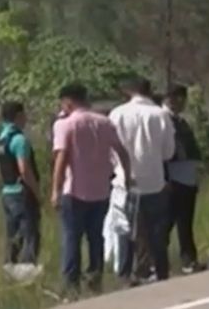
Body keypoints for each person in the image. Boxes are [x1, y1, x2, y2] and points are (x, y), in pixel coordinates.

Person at [51, 83, 131, 295]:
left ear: (67, 101)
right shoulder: (104, 122)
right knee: (96, 237)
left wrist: (55, 190)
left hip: (74, 190)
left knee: (71, 238)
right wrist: (127, 177)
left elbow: (61, 159)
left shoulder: (65, 125)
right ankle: (95, 278)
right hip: (100, 190)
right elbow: (122, 151)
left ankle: (71, 284)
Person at [109, 76, 176, 282]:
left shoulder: (117, 114)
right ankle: (161, 271)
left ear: (130, 92)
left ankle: (125, 274)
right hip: (154, 181)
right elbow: (168, 152)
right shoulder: (161, 115)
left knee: (125, 230)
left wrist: (118, 168)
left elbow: (110, 150)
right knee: (156, 230)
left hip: (125, 182)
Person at [0, 101, 43, 281]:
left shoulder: (1, 139)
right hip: (22, 193)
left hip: (7, 192)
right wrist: (37, 192)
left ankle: (9, 270)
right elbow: (24, 169)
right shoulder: (19, 139)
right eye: (24, 115)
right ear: (18, 116)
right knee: (29, 233)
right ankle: (27, 275)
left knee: (13, 235)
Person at [162, 85, 206, 274]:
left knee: (185, 223)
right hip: (173, 177)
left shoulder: (181, 121)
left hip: (186, 178)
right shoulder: (164, 120)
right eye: (180, 99)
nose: (182, 104)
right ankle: (158, 261)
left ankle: (189, 259)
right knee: (166, 222)